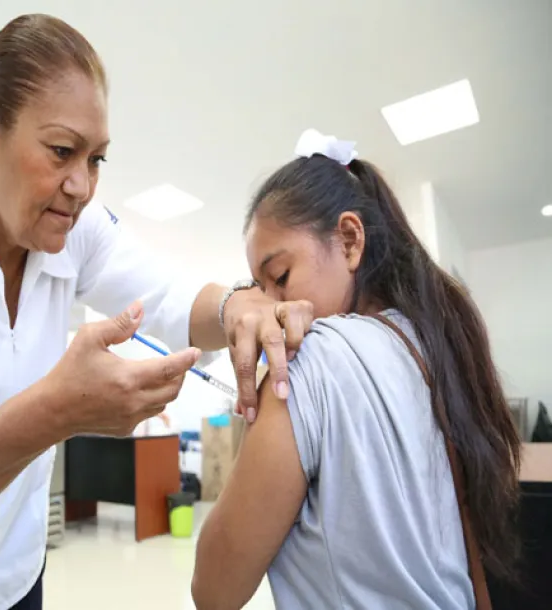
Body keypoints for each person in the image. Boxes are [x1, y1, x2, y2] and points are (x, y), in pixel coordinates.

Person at [0, 14, 315, 610]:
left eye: (97, 159)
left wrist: (240, 305)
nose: (81, 185)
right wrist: (60, 409)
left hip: (12, 572)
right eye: (62, 151)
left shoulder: (74, 230)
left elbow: (169, 296)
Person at [192, 133, 520, 609]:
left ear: (349, 240)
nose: (270, 308)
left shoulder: (310, 362)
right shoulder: (431, 342)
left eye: (280, 278)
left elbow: (212, 591)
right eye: (259, 291)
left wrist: (257, 416)